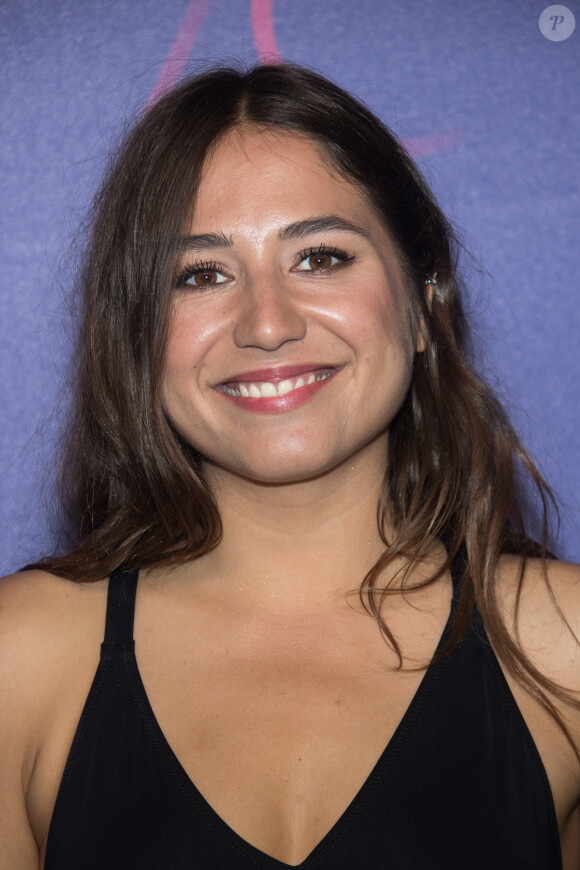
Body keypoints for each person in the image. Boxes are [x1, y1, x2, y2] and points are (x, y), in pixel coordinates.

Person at [0, 63, 578, 870]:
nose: (266, 323)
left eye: (321, 258)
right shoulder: (20, 657)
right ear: (137, 336)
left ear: (421, 302)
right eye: (201, 275)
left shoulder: (565, 647)